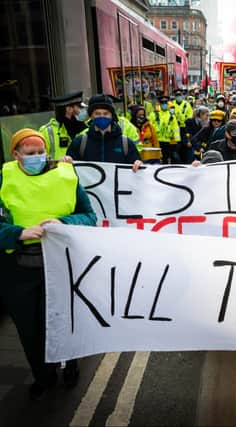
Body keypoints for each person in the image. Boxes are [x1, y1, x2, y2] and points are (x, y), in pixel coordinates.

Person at [0, 129, 97, 400]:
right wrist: (17, 233)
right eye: (30, 154)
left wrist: (64, 223)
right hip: (19, 272)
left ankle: (70, 365)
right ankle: (43, 376)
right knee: (31, 330)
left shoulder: (66, 176)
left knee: (64, 321)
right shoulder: (2, 180)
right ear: (16, 155)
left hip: (63, 265)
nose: (37, 158)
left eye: (41, 152)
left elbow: (89, 216)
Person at [66, 94, 142, 170]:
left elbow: (137, 168)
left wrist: (139, 164)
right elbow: (69, 169)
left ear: (112, 115)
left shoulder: (126, 143)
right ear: (91, 116)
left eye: (106, 113)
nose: (102, 116)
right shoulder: (80, 142)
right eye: (97, 114)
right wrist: (66, 161)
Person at [39, 91, 88, 161]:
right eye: (79, 107)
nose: (81, 111)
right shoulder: (47, 131)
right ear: (69, 109)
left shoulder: (85, 129)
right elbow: (41, 159)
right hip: (58, 171)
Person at [148, 95, 181, 164]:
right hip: (156, 141)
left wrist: (176, 140)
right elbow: (150, 127)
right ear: (160, 104)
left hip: (167, 141)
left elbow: (175, 128)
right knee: (156, 159)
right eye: (162, 102)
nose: (164, 104)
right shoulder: (153, 114)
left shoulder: (171, 115)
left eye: (166, 102)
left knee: (165, 159)